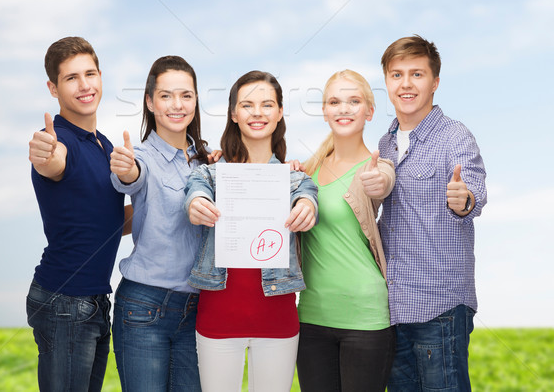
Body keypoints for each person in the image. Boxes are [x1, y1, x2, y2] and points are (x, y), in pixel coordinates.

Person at [185, 71, 318, 392]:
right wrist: (198, 203)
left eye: (267, 104)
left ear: (279, 112)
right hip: (217, 319)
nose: (257, 112)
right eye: (247, 105)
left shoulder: (296, 179)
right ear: (234, 114)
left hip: (277, 321)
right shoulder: (210, 175)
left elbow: (308, 197)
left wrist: (307, 208)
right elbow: (195, 192)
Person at [378, 35, 487, 391]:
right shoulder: (385, 143)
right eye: (397, 75)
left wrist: (463, 200)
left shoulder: (455, 136)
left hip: (439, 307)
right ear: (387, 81)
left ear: (435, 82)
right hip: (394, 306)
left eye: (417, 74)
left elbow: (473, 193)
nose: (406, 84)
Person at [26, 36, 125, 392]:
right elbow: (52, 162)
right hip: (65, 300)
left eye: (90, 74)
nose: (85, 85)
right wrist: (44, 154)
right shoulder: (57, 140)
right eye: (71, 78)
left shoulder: (105, 145)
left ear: (100, 77)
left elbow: (109, 220)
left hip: (95, 300)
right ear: (53, 88)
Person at [109, 56, 212, 392]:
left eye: (186, 95)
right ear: (150, 102)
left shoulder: (210, 161)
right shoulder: (141, 156)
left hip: (198, 310)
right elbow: (131, 176)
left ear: (196, 100)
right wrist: (125, 169)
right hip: (144, 308)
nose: (177, 105)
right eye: (166, 96)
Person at [296, 70, 396, 392]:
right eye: (335, 101)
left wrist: (379, 182)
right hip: (311, 316)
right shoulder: (306, 172)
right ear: (325, 111)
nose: (344, 109)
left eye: (354, 101)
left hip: (365, 317)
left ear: (369, 111)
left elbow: (383, 182)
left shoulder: (376, 166)